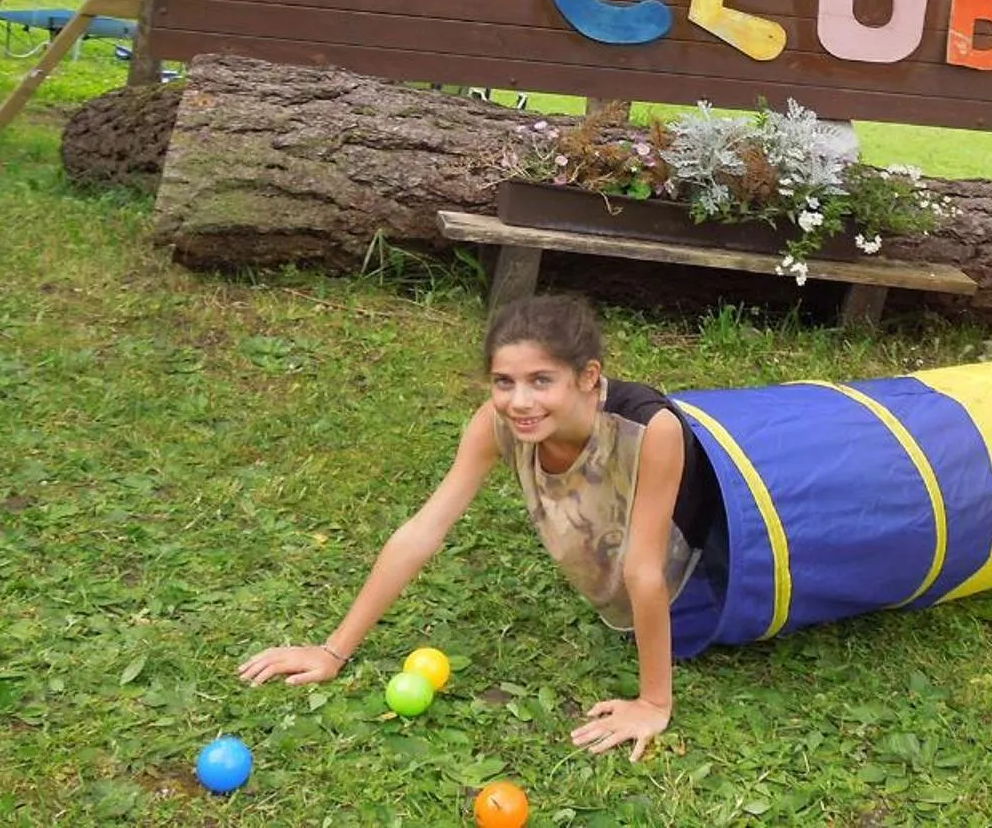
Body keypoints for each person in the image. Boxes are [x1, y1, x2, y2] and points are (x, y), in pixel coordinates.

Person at [237, 294, 724, 761]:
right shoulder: (496, 422)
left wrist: (654, 703)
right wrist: (332, 651)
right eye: (503, 382)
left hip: (704, 571)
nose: (519, 401)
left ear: (587, 376)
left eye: (541, 380)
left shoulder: (649, 427)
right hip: (613, 562)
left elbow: (643, 569)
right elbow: (423, 530)